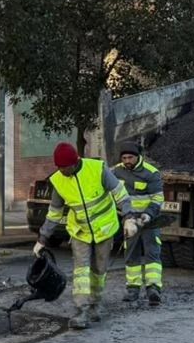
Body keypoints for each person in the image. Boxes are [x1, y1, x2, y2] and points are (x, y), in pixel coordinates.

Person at [34, 142, 137, 329]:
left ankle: (95, 305)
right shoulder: (58, 180)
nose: (61, 171)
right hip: (80, 231)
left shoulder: (98, 169)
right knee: (81, 271)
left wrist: (129, 217)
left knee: (99, 270)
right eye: (59, 167)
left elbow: (120, 194)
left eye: (64, 167)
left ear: (74, 162)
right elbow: (55, 213)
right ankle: (81, 310)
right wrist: (42, 239)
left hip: (105, 229)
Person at [113, 141, 164, 306]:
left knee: (152, 253)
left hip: (149, 221)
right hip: (129, 221)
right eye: (124, 158)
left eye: (130, 157)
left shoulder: (151, 173)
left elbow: (157, 199)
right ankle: (133, 289)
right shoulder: (115, 171)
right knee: (131, 253)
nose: (127, 161)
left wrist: (147, 215)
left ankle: (153, 288)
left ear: (138, 157)